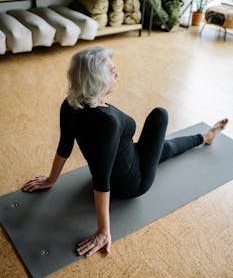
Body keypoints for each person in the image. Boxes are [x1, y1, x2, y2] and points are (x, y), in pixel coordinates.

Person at [22, 46, 229, 258]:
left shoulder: (70, 104)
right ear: (97, 81)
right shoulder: (107, 122)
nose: (117, 74)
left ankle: (206, 136)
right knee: (160, 115)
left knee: (164, 148)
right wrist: (103, 231)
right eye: (112, 72)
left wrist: (51, 179)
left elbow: (65, 145)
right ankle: (206, 136)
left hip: (125, 158)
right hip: (133, 182)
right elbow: (101, 180)